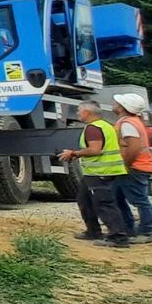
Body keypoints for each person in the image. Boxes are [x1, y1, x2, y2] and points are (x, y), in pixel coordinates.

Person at [57, 100, 130, 247]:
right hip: (97, 172)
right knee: (84, 199)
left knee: (104, 204)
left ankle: (118, 237)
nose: (77, 113)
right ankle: (93, 231)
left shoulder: (93, 128)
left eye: (79, 111)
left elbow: (95, 150)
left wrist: (74, 153)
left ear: (86, 113)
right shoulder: (106, 126)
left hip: (100, 172)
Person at [111, 92, 152, 244]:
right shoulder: (132, 121)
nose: (115, 104)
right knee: (118, 198)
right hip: (135, 167)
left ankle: (146, 231)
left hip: (134, 167)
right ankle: (127, 229)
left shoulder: (127, 123)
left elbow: (134, 147)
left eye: (118, 103)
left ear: (123, 107)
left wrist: (125, 164)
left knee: (139, 200)